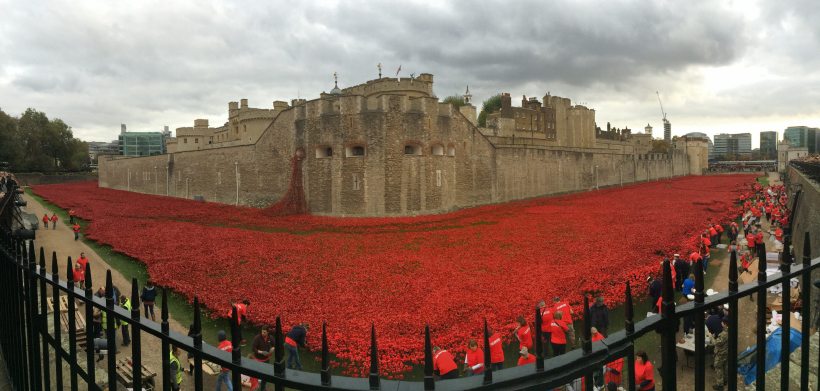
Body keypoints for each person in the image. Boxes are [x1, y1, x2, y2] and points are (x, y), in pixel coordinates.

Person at [250, 326, 275, 390]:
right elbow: (253, 348)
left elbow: (274, 345)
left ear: (268, 332)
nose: (262, 333)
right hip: (257, 360)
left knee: (265, 375)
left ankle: (263, 388)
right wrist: (261, 352)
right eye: (262, 332)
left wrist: (272, 349)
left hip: (266, 360)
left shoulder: (271, 338)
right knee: (255, 374)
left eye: (264, 332)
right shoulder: (257, 338)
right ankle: (255, 386)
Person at [713, 319, 729, 390]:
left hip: (721, 353)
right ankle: (725, 380)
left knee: (718, 368)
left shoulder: (724, 334)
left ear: (725, 324)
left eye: (722, 322)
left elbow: (717, 343)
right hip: (726, 352)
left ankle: (720, 385)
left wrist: (711, 337)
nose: (721, 323)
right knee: (725, 366)